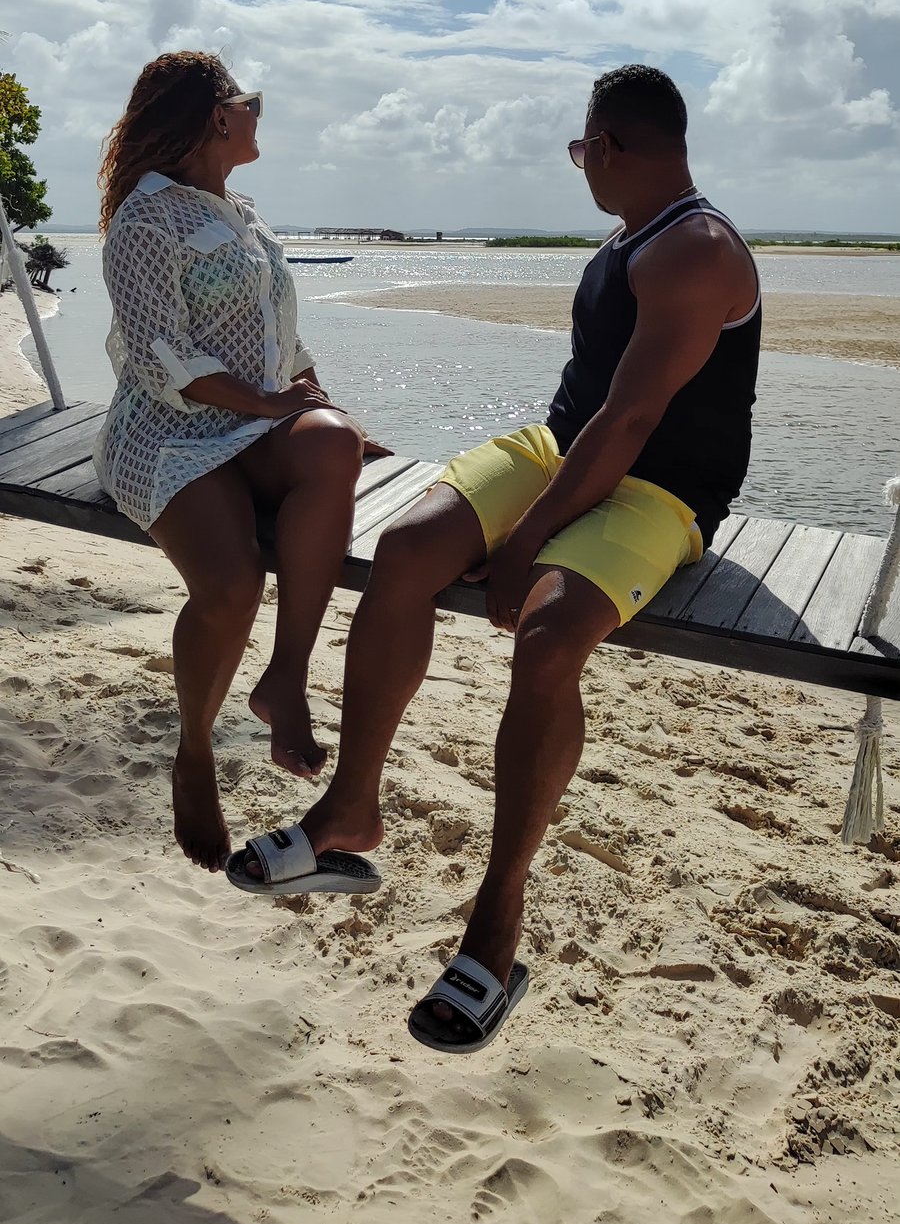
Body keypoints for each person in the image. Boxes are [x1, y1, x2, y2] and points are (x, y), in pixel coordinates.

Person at [229, 64, 761, 1052]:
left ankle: (497, 920)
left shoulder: (695, 248)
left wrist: (524, 544)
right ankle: (349, 810)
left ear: (608, 146)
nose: (579, 165)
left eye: (579, 148)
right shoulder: (633, 233)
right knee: (405, 549)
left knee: (550, 635)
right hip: (564, 448)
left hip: (661, 489)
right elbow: (590, 412)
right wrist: (520, 512)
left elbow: (632, 419)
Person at [95, 51, 383, 877]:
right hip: (166, 431)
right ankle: (194, 752)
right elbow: (163, 359)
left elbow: (281, 338)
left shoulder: (243, 214)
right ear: (217, 116)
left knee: (335, 443)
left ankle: (284, 679)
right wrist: (266, 404)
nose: (259, 113)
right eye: (249, 100)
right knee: (230, 587)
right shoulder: (146, 219)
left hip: (251, 424)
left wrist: (323, 406)